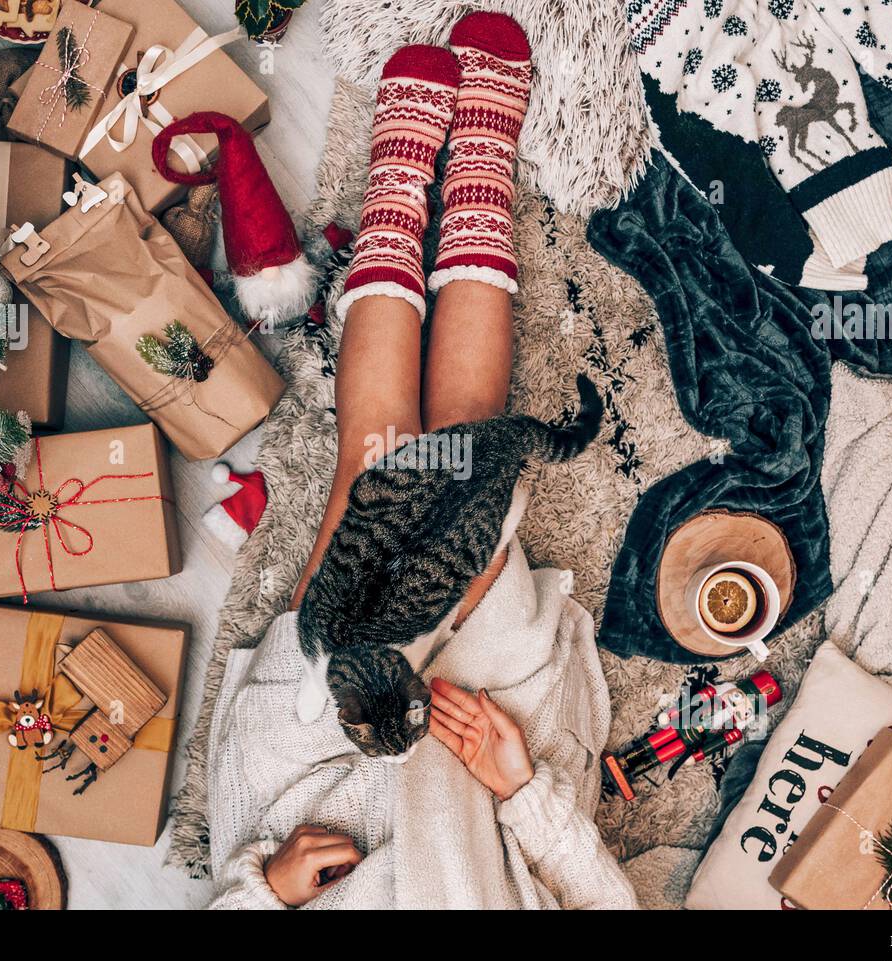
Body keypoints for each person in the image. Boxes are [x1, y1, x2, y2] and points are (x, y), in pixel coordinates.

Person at [207, 13, 636, 910]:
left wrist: (266, 889)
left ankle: (401, 184)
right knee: (467, 454)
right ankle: (476, 169)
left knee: (376, 465)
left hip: (321, 748)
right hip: (483, 750)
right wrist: (525, 793)